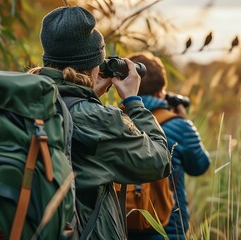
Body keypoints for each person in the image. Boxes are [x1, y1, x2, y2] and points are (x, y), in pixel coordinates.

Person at [29, 7, 171, 239]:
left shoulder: (28, 98)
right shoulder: (94, 118)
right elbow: (159, 160)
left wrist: (85, 96)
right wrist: (134, 102)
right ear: (94, 63)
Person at [127, 52, 210, 240]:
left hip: (120, 229)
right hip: (167, 232)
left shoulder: (113, 120)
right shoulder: (179, 126)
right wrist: (185, 121)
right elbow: (200, 166)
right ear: (160, 92)